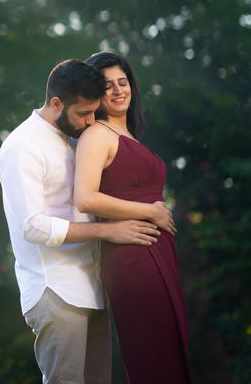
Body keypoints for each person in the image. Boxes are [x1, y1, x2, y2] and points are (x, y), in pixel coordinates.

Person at [0, 59, 165, 384]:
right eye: (84, 114)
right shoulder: (22, 147)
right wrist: (110, 231)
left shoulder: (69, 138)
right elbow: (33, 226)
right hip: (55, 290)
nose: (91, 122)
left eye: (93, 112)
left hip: (90, 286)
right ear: (57, 103)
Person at [75, 52, 192, 383]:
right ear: (95, 94)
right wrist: (151, 211)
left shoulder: (127, 136)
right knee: (152, 353)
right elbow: (85, 197)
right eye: (107, 86)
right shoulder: (96, 134)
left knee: (168, 345)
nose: (117, 91)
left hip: (155, 251)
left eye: (122, 82)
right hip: (132, 255)